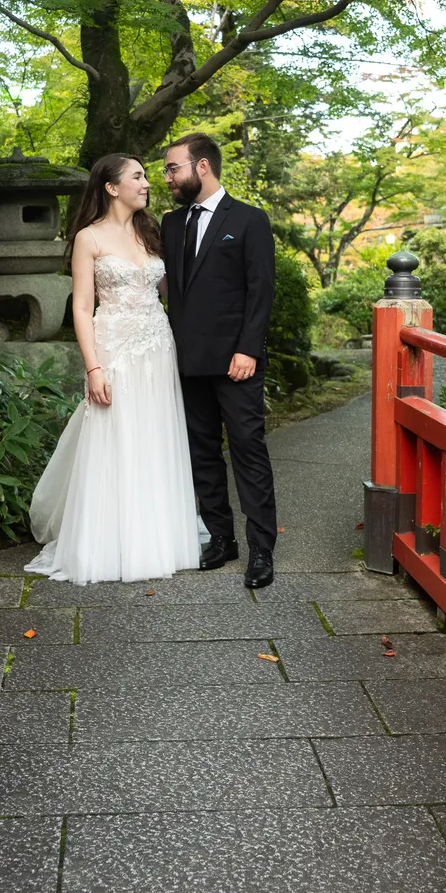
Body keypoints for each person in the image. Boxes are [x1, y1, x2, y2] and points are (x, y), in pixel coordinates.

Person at [25, 154, 203, 585]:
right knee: (116, 437)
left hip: (158, 346)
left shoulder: (152, 232)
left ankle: (160, 538)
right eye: (138, 177)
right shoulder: (89, 238)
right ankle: (110, 542)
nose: (147, 183)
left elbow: (171, 290)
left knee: (155, 435)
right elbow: (83, 309)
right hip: (114, 348)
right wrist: (94, 368)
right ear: (111, 187)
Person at [158, 132, 279, 590]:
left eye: (174, 168)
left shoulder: (249, 220)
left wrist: (247, 349)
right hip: (188, 360)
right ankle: (221, 539)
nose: (167, 177)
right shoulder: (171, 224)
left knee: (249, 450)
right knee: (201, 452)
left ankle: (261, 550)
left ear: (202, 166)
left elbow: (261, 290)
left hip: (237, 361)